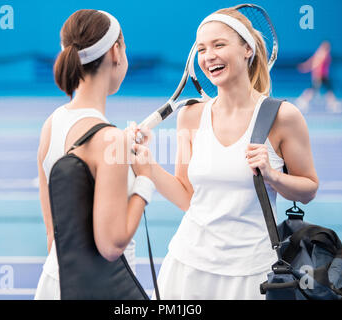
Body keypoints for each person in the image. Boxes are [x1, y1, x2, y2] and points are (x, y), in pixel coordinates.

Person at [131, 7, 319, 300]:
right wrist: (147, 164)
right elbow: (187, 197)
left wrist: (272, 176)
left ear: (247, 49)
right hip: (187, 267)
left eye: (219, 45)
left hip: (251, 274)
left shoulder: (283, 116)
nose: (209, 56)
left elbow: (308, 188)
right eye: (202, 49)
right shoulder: (191, 115)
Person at [34, 9, 154, 299]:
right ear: (116, 51)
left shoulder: (52, 123)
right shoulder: (110, 140)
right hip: (104, 290)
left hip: (55, 282)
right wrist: (145, 179)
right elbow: (112, 246)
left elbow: (54, 238)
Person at [295, 41, 342, 113]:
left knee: (328, 90)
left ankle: (332, 104)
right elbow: (317, 65)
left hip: (323, 76)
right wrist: (317, 76)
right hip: (320, 76)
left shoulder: (321, 53)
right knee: (314, 90)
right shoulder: (322, 54)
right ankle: (302, 101)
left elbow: (311, 62)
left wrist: (305, 67)